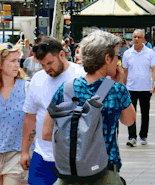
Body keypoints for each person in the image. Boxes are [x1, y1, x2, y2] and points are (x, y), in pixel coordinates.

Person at [42, 30, 136, 185]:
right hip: (104, 173)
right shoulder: (116, 90)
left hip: (69, 174)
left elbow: (46, 133)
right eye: (117, 56)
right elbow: (129, 120)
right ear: (107, 58)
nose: (118, 61)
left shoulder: (66, 89)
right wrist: (118, 82)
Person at [21, 37, 85, 185]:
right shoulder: (37, 79)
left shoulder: (81, 76)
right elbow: (30, 117)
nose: (47, 69)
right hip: (41, 157)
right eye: (43, 65)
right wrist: (24, 151)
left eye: (50, 63)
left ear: (62, 55)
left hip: (73, 159)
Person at [122, 29, 155, 147]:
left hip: (145, 88)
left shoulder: (149, 53)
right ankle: (132, 137)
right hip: (131, 88)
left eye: (138, 37)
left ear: (143, 39)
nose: (136, 39)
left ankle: (143, 136)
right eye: (134, 37)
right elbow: (125, 72)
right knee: (130, 113)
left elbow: (154, 68)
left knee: (145, 113)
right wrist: (123, 86)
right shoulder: (127, 53)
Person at [0, 43, 29, 185]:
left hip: (17, 154)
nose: (17, 65)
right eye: (12, 61)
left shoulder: (26, 88)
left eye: (18, 60)